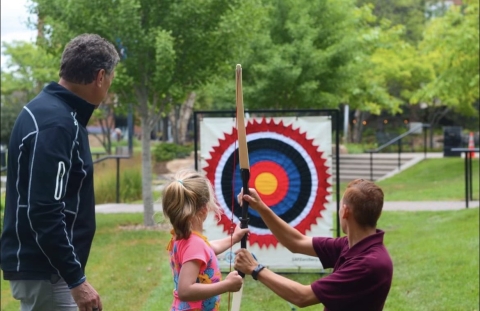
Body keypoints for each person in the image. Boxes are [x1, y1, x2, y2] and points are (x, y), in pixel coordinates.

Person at [0, 34, 120, 311]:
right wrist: (76, 279)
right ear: (100, 76)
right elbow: (44, 209)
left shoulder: (47, 111)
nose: (109, 87)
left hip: (45, 270)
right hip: (47, 271)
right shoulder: (56, 123)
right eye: (111, 78)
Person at [234, 179, 393, 311]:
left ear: (345, 211)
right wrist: (260, 207)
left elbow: (302, 296)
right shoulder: (353, 244)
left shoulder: (370, 264)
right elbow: (297, 242)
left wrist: (255, 268)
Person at [162, 170, 248, 311]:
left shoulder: (184, 237)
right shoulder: (194, 244)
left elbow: (208, 249)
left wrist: (234, 238)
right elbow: (185, 290)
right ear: (204, 208)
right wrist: (227, 285)